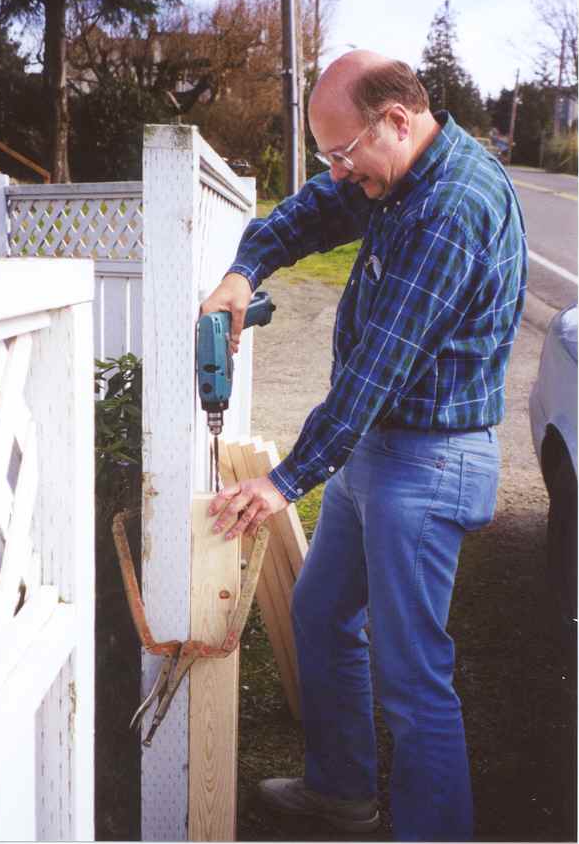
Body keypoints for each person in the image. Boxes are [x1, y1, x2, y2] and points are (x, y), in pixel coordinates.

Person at [201, 51, 527, 842]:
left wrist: (284, 482)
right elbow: (313, 211)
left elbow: (376, 370)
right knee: (320, 613)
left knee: (412, 679)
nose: (339, 173)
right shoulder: (394, 171)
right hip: (377, 449)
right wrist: (246, 269)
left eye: (343, 154)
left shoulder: (452, 208)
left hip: (429, 462)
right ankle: (341, 793)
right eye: (329, 157)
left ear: (398, 120)